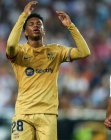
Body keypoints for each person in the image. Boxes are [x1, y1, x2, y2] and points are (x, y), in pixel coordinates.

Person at [6, 1, 90, 140]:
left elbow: (84, 52)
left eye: (39, 24)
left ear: (44, 30)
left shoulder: (55, 51)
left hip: (47, 114)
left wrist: (71, 26)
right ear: (25, 32)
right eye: (31, 24)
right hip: (23, 113)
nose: (36, 26)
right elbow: (10, 45)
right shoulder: (19, 52)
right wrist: (23, 17)